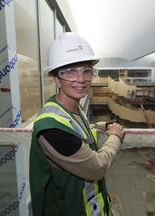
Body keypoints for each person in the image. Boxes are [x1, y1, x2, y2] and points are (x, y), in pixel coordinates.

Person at [29, 32, 125, 216]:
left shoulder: (70, 109)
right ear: (56, 78)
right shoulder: (51, 129)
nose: (81, 79)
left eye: (86, 71)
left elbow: (81, 131)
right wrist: (115, 136)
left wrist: (103, 126)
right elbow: (98, 167)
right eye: (70, 71)